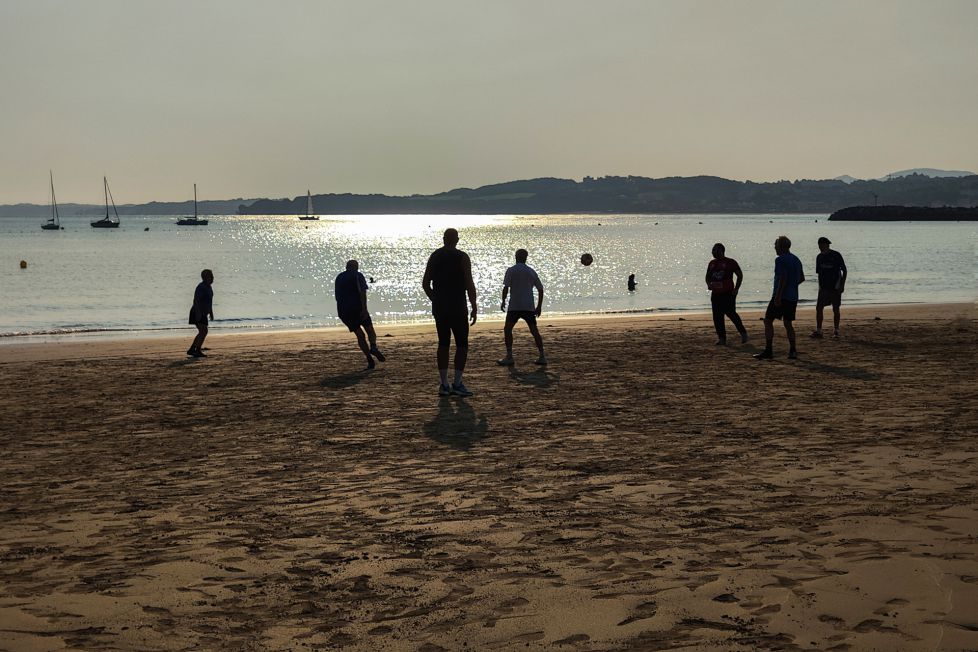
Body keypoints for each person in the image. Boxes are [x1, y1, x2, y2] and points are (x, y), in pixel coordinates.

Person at [422, 228, 478, 397]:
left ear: (444, 239)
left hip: (441, 308)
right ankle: (457, 382)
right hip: (458, 306)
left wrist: (436, 299)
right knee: (462, 345)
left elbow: (425, 284)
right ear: (457, 240)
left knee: (443, 343)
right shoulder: (462, 257)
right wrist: (474, 305)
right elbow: (469, 282)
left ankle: (444, 383)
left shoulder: (435, 256)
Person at [755, 235, 805, 360]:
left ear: (781, 247)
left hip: (781, 296)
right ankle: (793, 350)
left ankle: (768, 350)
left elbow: (783, 278)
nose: (774, 248)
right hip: (793, 297)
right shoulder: (796, 259)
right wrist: (792, 286)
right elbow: (801, 278)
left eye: (776, 245)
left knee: (768, 321)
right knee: (788, 323)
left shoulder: (780, 260)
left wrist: (778, 296)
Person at [497, 249, 546, 366]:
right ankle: (542, 355)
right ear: (526, 258)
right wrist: (539, 306)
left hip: (515, 306)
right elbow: (540, 289)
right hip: (528, 306)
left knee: (507, 329)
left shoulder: (511, 270)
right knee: (534, 331)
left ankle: (509, 356)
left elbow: (506, 287)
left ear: (516, 257)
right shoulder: (531, 271)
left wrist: (503, 300)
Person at [334, 260, 385, 369]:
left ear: (346, 267)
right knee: (370, 330)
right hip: (358, 309)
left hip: (344, 311)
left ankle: (369, 358)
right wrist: (364, 309)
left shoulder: (339, 277)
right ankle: (373, 347)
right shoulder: (358, 275)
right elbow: (362, 292)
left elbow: (337, 296)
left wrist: (341, 313)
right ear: (356, 267)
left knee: (360, 335)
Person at [705, 243, 748, 345]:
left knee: (731, 313)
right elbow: (707, 277)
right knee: (717, 316)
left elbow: (740, 275)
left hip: (728, 293)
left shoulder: (730, 262)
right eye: (713, 250)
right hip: (716, 294)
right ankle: (722, 338)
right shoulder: (712, 263)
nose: (713, 252)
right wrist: (708, 284)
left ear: (721, 251)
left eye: (715, 250)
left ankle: (743, 332)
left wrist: (736, 288)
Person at [812, 237, 847, 339]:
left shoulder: (836, 255)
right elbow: (819, 273)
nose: (820, 247)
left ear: (827, 245)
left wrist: (842, 285)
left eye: (822, 245)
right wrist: (820, 287)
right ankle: (819, 331)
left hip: (835, 287)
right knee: (819, 308)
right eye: (819, 245)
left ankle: (836, 331)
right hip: (823, 287)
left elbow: (844, 270)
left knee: (836, 308)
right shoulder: (819, 257)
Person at [187, 269, 214, 358]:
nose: (213, 278)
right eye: (211, 276)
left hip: (203, 313)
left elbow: (209, 301)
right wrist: (198, 313)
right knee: (203, 331)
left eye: (212, 276)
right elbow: (196, 301)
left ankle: (193, 349)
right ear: (205, 278)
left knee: (203, 331)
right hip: (197, 312)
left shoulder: (209, 287)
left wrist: (211, 312)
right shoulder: (201, 287)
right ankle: (196, 350)